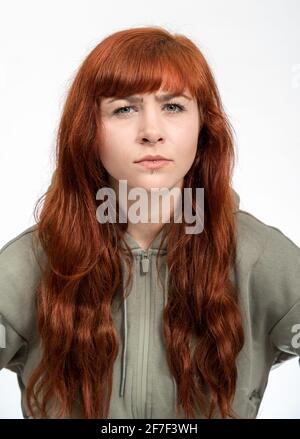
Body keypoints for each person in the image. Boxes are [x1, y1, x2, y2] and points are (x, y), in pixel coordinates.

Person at [0, 25, 300, 420]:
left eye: (173, 106)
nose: (152, 133)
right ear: (89, 130)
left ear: (203, 127)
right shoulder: (32, 262)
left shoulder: (260, 257)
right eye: (124, 108)